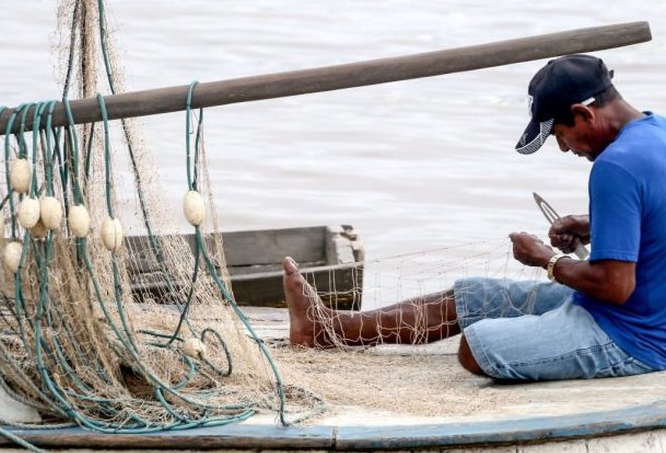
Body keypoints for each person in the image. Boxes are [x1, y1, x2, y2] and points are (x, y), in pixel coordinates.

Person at [282, 54, 666, 381]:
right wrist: (590, 225)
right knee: (469, 296)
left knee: (478, 346)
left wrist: (545, 259)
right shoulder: (657, 131)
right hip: (633, 311)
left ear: (583, 113)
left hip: (635, 338)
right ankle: (326, 328)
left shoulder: (614, 167)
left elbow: (615, 287)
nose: (565, 148)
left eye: (559, 136)